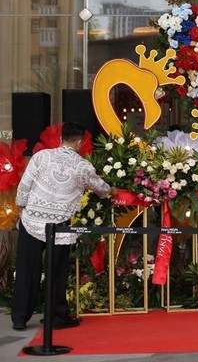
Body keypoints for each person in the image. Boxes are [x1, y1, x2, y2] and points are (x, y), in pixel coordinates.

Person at [11, 122, 118, 331]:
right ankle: (56, 316)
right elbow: (100, 188)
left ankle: (20, 318)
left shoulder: (41, 156)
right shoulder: (83, 166)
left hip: (32, 221)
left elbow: (25, 184)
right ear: (79, 143)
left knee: (26, 270)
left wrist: (22, 208)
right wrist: (112, 190)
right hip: (59, 227)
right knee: (56, 272)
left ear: (61, 139)